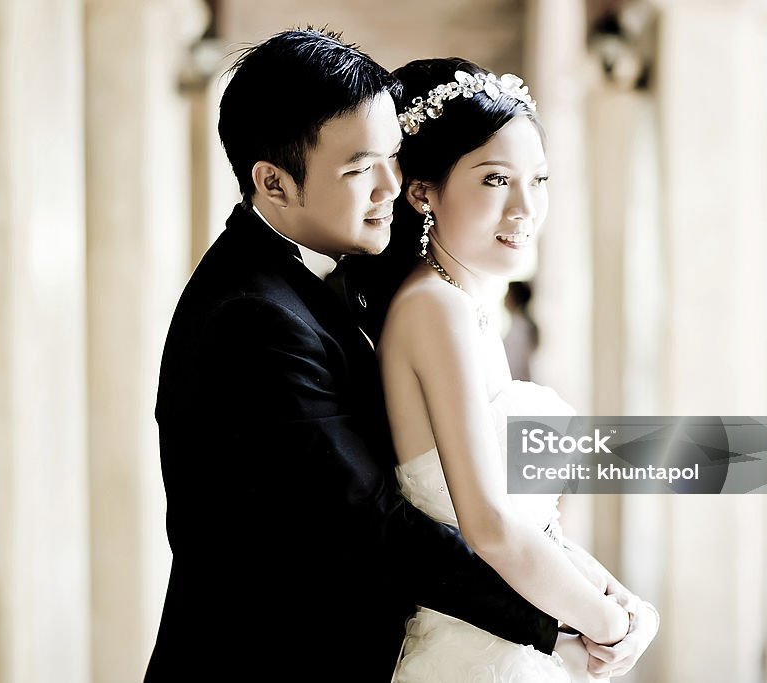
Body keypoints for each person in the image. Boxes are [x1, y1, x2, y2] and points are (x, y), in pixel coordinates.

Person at [144, 30, 566, 682]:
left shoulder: (313, 281)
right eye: (359, 168)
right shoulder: (254, 317)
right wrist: (552, 625)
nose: (393, 186)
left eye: (394, 158)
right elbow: (373, 527)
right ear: (273, 182)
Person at [355, 57, 661, 681]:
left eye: (539, 180)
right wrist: (607, 628)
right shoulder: (433, 309)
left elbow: (529, 527)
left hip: (503, 639)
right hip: (470, 655)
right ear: (423, 192)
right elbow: (489, 527)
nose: (526, 207)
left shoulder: (460, 306)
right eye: (496, 180)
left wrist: (616, 601)